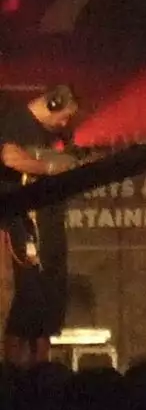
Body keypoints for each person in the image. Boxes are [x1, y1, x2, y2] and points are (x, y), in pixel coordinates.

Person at [0, 84, 81, 367]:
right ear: (54, 103)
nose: (65, 123)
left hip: (48, 228)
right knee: (25, 303)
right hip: (23, 227)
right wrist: (49, 169)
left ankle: (43, 375)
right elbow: (9, 157)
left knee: (47, 305)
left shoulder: (48, 135)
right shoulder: (16, 122)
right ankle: (12, 378)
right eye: (65, 116)